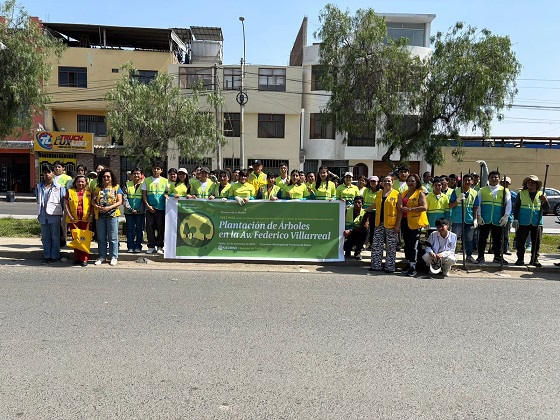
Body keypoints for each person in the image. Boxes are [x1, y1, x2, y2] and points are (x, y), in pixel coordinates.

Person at [367, 175, 402, 273]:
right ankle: (376, 265)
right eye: (385, 181)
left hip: (391, 224)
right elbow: (376, 204)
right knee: (376, 245)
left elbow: (400, 211)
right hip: (379, 223)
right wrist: (365, 210)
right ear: (382, 183)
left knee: (391, 246)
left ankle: (389, 267)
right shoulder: (379, 193)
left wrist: (397, 225)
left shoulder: (397, 194)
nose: (387, 183)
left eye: (389, 181)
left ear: (392, 183)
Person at [513, 175, 549, 267]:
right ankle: (520, 259)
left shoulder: (542, 194)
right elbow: (516, 207)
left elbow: (546, 209)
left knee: (536, 242)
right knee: (520, 242)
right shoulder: (521, 193)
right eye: (528, 182)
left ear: (537, 185)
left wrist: (545, 201)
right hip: (523, 221)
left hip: (537, 222)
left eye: (533, 182)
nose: (530, 184)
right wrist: (515, 219)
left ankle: (534, 260)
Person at [476, 170, 511, 264]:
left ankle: (497, 257)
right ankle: (480, 256)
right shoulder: (482, 190)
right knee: (482, 238)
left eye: (496, 177)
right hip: (485, 219)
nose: (494, 179)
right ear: (488, 178)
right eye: (492, 177)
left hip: (498, 219)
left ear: (499, 179)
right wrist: (479, 216)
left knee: (498, 239)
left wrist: (506, 216)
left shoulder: (505, 190)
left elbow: (508, 204)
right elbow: (478, 204)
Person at [400, 173, 429, 277]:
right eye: (409, 181)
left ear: (417, 182)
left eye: (413, 181)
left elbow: (424, 207)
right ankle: (409, 262)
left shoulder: (420, 193)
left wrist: (410, 209)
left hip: (415, 223)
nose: (410, 183)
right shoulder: (404, 193)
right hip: (404, 221)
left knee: (413, 245)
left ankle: (413, 266)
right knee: (407, 244)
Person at [36, 164, 66, 264]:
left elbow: (63, 201)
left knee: (55, 236)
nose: (47, 175)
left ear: (53, 173)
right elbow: (38, 200)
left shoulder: (59, 187)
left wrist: (62, 213)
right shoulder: (39, 186)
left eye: (49, 172)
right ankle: (47, 256)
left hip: (55, 214)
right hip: (43, 215)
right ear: (42, 174)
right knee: (45, 237)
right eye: (45, 173)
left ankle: (55, 256)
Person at [92, 169, 122, 266]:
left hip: (112, 215)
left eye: (108, 176)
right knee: (101, 237)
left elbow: (120, 201)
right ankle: (102, 256)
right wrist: (97, 206)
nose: (106, 178)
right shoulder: (98, 188)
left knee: (113, 237)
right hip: (100, 215)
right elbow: (93, 200)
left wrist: (109, 207)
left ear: (112, 177)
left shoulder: (116, 187)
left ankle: (113, 256)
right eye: (104, 176)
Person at [448, 173, 479, 264]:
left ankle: (469, 256)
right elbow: (450, 205)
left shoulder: (475, 193)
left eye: (469, 180)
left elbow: (475, 207)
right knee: (453, 238)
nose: (467, 182)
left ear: (472, 182)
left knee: (469, 239)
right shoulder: (456, 191)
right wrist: (458, 200)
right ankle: (450, 255)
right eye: (465, 180)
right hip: (457, 219)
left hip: (469, 219)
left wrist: (475, 219)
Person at [64, 174, 93, 266]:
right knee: (76, 239)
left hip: (85, 219)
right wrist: (70, 216)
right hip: (74, 220)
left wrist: (91, 215)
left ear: (86, 183)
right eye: (78, 181)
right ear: (75, 183)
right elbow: (66, 204)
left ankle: (84, 259)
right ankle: (77, 258)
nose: (80, 183)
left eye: (82, 181)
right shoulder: (70, 191)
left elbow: (93, 205)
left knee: (84, 239)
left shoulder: (89, 192)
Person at [142, 161, 168, 255]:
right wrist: (147, 206)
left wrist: (166, 195)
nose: (156, 170)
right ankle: (151, 246)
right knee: (150, 228)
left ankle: (160, 246)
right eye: (154, 168)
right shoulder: (147, 180)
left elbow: (168, 193)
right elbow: (144, 195)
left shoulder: (165, 181)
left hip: (161, 208)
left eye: (158, 169)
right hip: (150, 208)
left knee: (161, 228)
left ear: (161, 170)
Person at [123, 167, 145, 253]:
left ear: (141, 175)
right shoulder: (127, 184)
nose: (136, 175)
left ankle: (138, 246)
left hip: (140, 212)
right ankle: (130, 246)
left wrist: (139, 209)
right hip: (129, 211)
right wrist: (130, 208)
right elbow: (125, 198)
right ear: (131, 175)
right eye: (134, 173)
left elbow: (144, 199)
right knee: (130, 229)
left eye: (138, 173)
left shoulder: (144, 185)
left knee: (139, 229)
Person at [343, 196, 367, 260]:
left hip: (357, 233)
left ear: (362, 204)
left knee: (363, 232)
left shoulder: (365, 213)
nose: (357, 204)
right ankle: (347, 250)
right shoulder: (347, 210)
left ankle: (357, 252)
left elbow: (364, 226)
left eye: (359, 203)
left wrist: (351, 230)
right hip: (346, 233)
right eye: (355, 202)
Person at [363, 176, 379, 247]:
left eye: (374, 181)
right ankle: (364, 243)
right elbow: (363, 200)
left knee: (373, 229)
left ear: (377, 182)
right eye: (371, 181)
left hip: (375, 213)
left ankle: (371, 244)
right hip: (366, 212)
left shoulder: (380, 191)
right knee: (365, 228)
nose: (373, 183)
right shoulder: (366, 190)